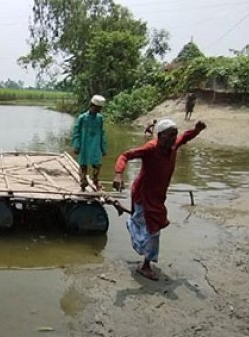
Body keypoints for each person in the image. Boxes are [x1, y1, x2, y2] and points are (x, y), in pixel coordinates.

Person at [112, 119, 207, 280]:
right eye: (170, 136)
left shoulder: (173, 145)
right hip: (143, 193)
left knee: (154, 223)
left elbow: (184, 137)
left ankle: (130, 219)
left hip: (158, 194)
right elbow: (125, 155)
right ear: (161, 135)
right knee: (153, 230)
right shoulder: (150, 148)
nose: (173, 139)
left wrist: (196, 131)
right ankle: (146, 265)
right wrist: (118, 174)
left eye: (174, 135)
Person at [72, 95, 107, 191]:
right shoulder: (82, 118)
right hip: (84, 143)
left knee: (97, 163)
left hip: (96, 144)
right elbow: (76, 132)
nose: (99, 110)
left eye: (100, 108)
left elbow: (102, 133)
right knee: (83, 163)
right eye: (97, 108)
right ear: (92, 106)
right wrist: (76, 145)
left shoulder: (100, 118)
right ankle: (83, 181)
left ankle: (95, 180)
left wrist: (103, 147)